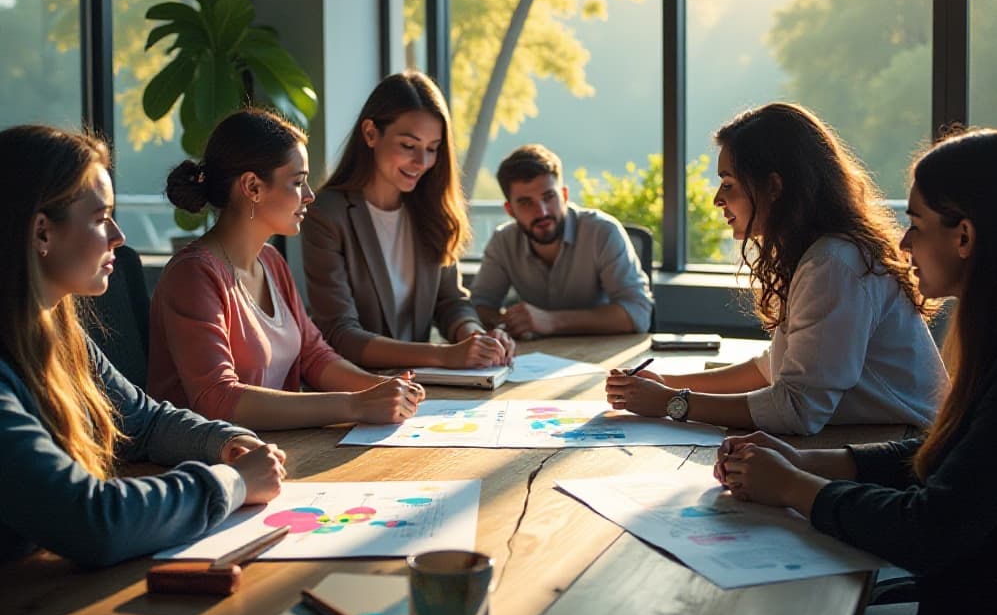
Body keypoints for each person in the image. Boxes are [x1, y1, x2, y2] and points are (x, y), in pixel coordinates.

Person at [717, 127, 997, 615]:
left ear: (964, 235)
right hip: (967, 606)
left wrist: (794, 488)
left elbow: (933, 526)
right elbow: (949, 453)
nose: (903, 243)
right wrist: (819, 463)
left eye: (916, 223)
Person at [0, 124, 286, 566]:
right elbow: (91, 519)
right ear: (42, 233)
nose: (118, 235)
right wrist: (232, 483)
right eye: (99, 219)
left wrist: (224, 443)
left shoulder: (63, 338)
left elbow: (146, 422)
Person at [606, 103, 945, 433]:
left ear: (773, 187)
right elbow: (774, 367)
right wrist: (665, 384)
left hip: (905, 451)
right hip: (875, 439)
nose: (716, 199)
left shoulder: (833, 264)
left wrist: (672, 403)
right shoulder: (819, 254)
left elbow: (798, 409)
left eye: (728, 184)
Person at [148, 108, 424, 430]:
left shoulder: (272, 263)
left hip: (276, 452)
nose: (309, 197)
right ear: (252, 186)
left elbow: (314, 355)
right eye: (298, 182)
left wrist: (378, 388)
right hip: (209, 467)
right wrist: (355, 404)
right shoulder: (193, 275)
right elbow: (217, 399)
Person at [301, 72, 513, 369]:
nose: (422, 162)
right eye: (408, 145)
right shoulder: (326, 214)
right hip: (357, 390)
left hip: (424, 389)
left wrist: (476, 339)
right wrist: (443, 355)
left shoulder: (432, 209)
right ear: (371, 134)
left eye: (432, 148)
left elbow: (450, 302)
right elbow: (340, 334)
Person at [470, 144, 653, 338]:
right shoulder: (503, 241)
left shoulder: (602, 232)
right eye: (526, 203)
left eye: (549, 197)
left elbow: (638, 313)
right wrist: (507, 324)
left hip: (604, 357)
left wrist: (552, 321)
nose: (542, 212)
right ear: (510, 210)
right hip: (534, 360)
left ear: (564, 195)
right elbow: (478, 306)